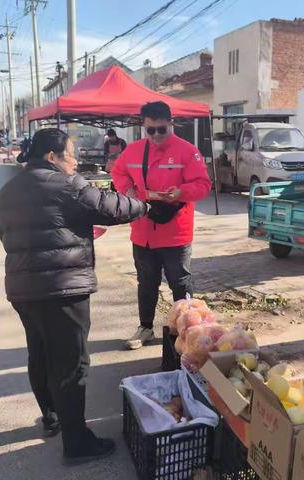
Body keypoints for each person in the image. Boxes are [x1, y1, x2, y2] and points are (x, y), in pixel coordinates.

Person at [0, 128, 149, 465]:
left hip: (23, 290)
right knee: (71, 365)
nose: (76, 160)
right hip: (63, 291)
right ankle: (77, 443)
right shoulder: (67, 183)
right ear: (52, 157)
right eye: (72, 153)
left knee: (40, 353)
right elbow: (111, 207)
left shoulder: (7, 191)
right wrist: (144, 203)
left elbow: (6, 234)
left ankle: (51, 417)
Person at [112, 101, 211, 350]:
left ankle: (187, 332)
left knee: (180, 283)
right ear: (144, 127)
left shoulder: (188, 152)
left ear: (171, 124)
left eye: (161, 129)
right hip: (143, 231)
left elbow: (203, 185)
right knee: (146, 283)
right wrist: (129, 190)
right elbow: (118, 172)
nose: (156, 135)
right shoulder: (134, 151)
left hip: (176, 233)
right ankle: (145, 327)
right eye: (150, 130)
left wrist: (180, 191)